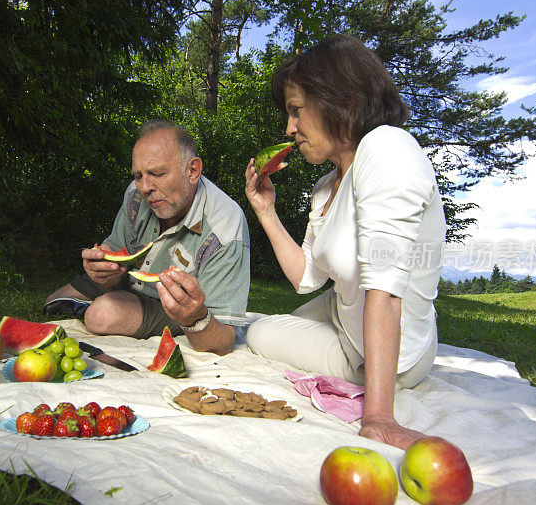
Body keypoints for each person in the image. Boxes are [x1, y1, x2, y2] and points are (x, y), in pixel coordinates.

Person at [244, 35, 446, 450]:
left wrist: (378, 417)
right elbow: (306, 277)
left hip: (390, 356)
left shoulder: (387, 149)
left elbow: (387, 291)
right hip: (343, 306)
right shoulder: (326, 186)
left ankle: (357, 367)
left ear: (345, 100)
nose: (289, 128)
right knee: (290, 317)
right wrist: (265, 210)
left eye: (297, 110)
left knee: (260, 332)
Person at [45, 120, 250, 356]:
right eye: (138, 175)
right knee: (52, 303)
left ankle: (94, 308)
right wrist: (101, 269)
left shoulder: (225, 228)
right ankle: (96, 303)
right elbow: (117, 252)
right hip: (129, 279)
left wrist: (194, 316)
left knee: (102, 314)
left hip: (176, 306)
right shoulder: (135, 193)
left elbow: (222, 341)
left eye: (157, 173)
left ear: (192, 171)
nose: (144, 187)